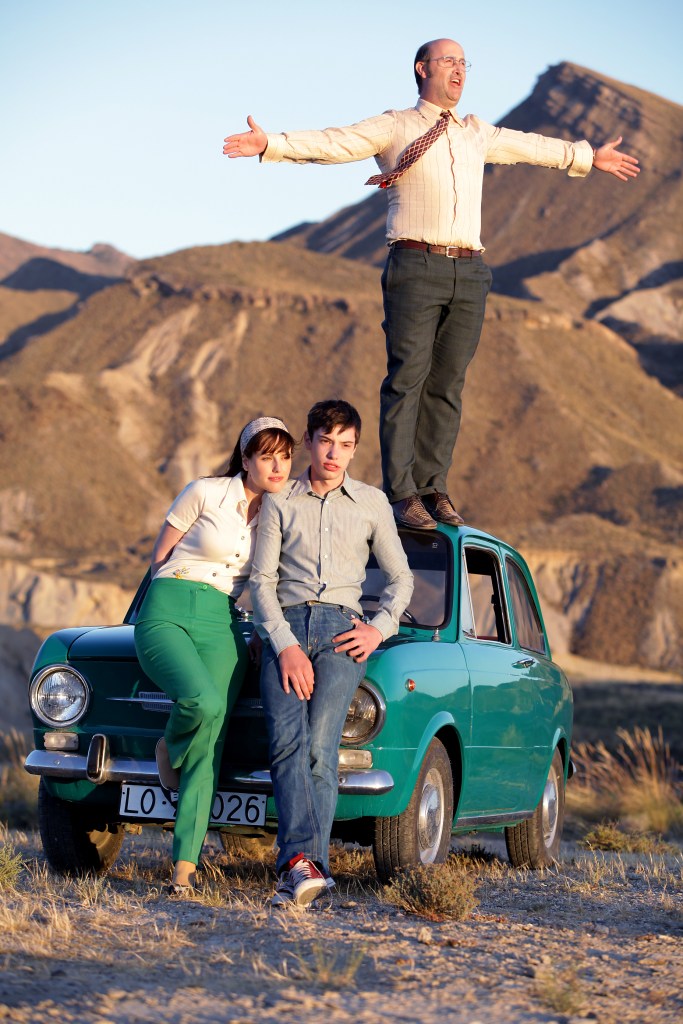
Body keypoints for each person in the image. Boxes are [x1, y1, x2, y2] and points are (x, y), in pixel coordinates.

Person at [223, 38, 640, 530]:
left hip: (470, 270)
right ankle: (401, 490)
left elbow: (530, 146)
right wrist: (272, 144)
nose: (460, 70)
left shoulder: (476, 133)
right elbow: (337, 143)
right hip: (416, 264)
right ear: (422, 69)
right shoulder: (396, 125)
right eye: (449, 61)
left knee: (448, 384)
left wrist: (587, 157)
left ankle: (432, 486)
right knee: (407, 379)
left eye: (465, 62)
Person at [250, 399, 413, 907]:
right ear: (311, 440)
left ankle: (298, 868)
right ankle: (308, 869)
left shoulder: (371, 503)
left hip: (345, 631)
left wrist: (378, 630)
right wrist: (286, 647)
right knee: (284, 743)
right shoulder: (281, 499)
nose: (334, 453)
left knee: (321, 747)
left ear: (355, 448)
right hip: (287, 626)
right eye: (326, 441)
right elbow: (261, 583)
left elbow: (401, 579)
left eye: (345, 445)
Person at [134, 416, 295, 895]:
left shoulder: (281, 515)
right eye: (266, 455)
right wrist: (159, 603)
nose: (277, 465)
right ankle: (169, 744)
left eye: (285, 456)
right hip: (168, 606)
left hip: (223, 621)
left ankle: (184, 865)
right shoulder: (204, 492)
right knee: (202, 703)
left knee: (213, 739)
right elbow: (158, 558)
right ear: (245, 459)